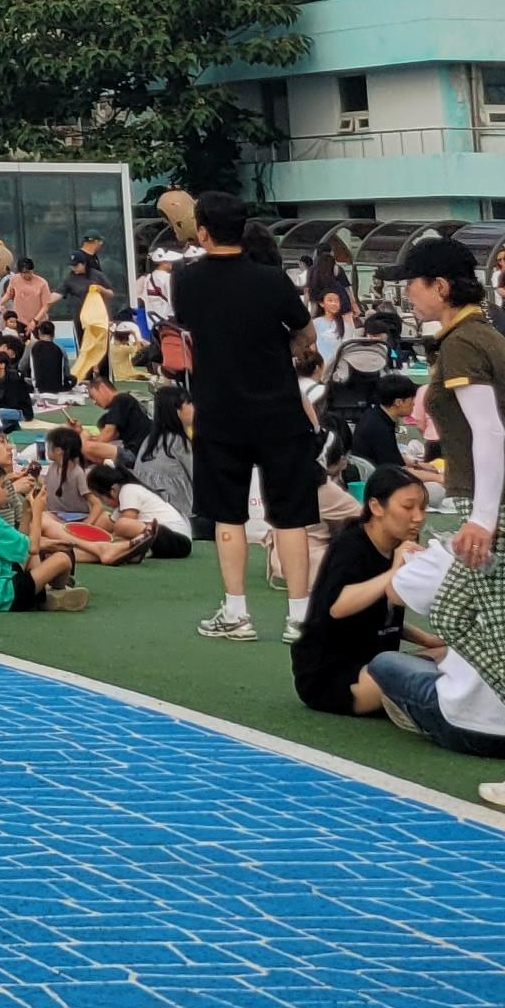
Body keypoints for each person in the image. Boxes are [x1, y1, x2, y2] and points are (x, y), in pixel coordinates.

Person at [397, 231, 505, 813]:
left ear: (441, 287)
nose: (409, 294)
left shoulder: (462, 345)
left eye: (414, 284)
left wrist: (485, 518)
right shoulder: (488, 335)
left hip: (498, 512)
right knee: (451, 614)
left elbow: (491, 432)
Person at [174, 189, 321, 644]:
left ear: (202, 232)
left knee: (228, 516)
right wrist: (282, 347)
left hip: (220, 412)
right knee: (291, 517)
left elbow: (190, 324)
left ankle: (237, 613)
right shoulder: (273, 281)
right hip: (279, 411)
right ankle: (299, 617)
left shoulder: (187, 280)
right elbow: (306, 333)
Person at [376, 528, 505, 771]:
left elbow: (395, 592)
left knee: (383, 664)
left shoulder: (459, 549)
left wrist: (410, 561)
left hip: (472, 727)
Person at [291, 466, 427, 721]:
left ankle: (404, 701)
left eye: (423, 508)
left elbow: (381, 617)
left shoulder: (399, 545)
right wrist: (394, 572)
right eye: (408, 507)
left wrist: (429, 641)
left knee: (448, 659)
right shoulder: (351, 546)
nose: (418, 517)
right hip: (332, 676)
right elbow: (337, 607)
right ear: (376, 507)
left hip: (379, 663)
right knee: (428, 685)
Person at [0, 440, 85, 614]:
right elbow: (33, 547)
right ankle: (56, 591)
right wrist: (38, 512)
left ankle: (44, 591)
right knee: (62, 559)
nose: (7, 491)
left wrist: (27, 513)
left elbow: (21, 544)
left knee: (32, 555)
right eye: (3, 486)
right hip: (3, 595)